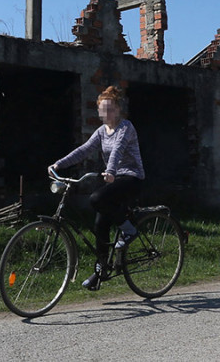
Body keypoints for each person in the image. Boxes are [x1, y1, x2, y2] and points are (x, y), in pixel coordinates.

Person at [48, 85, 145, 290]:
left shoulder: (126, 127)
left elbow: (118, 150)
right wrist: (59, 164)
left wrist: (110, 171)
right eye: (103, 110)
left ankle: (129, 230)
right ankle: (101, 270)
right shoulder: (101, 131)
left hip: (131, 178)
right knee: (100, 224)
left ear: (118, 110)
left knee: (96, 198)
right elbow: (84, 150)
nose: (106, 113)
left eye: (110, 109)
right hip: (114, 179)